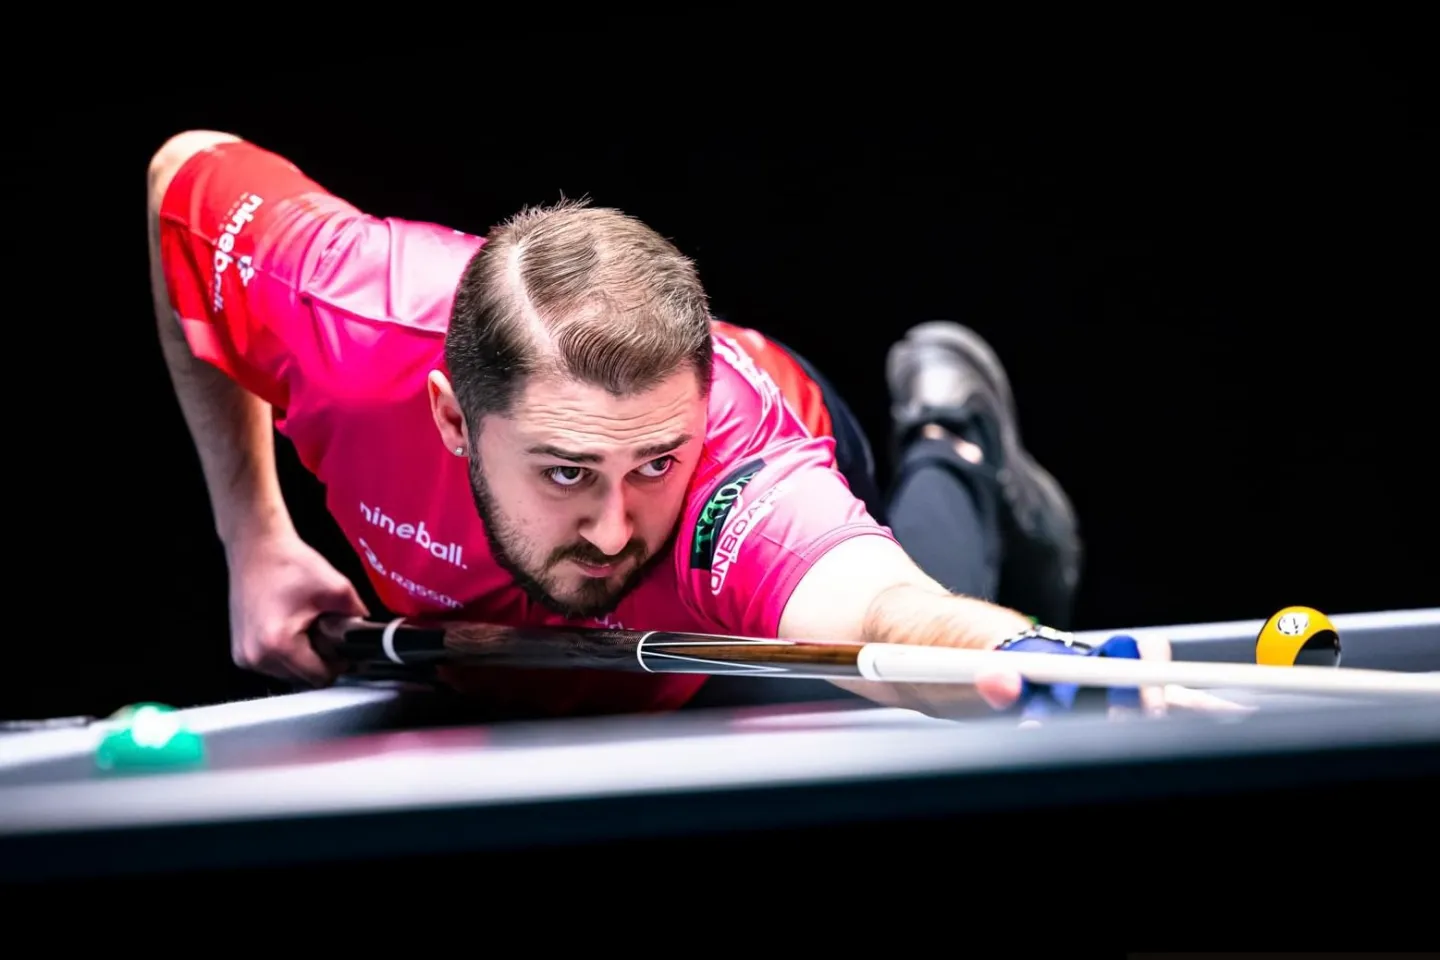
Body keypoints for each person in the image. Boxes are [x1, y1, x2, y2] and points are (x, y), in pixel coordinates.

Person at [148, 131, 1232, 723]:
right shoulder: (341, 308)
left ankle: (952, 438)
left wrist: (1022, 654)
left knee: (878, 686)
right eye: (566, 472)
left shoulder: (737, 478)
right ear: (453, 419)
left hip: (753, 529)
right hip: (509, 653)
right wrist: (255, 536)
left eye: (652, 464)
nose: (616, 530)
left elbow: (886, 613)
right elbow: (179, 178)